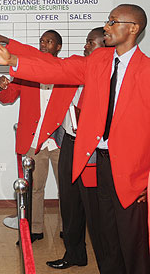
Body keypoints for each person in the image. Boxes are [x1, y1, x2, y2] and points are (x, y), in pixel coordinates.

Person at [0, 4, 150, 274]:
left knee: (132, 239)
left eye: (113, 22)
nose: (106, 26)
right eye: (108, 21)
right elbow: (54, 67)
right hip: (99, 162)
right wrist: (12, 59)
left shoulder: (146, 70)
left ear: (133, 28)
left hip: (131, 172)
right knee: (104, 236)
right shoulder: (97, 61)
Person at [0, 29, 77, 243]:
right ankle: (35, 230)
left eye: (49, 41)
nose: (44, 44)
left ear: (59, 47)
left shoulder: (69, 71)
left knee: (67, 188)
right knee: (35, 187)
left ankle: (67, 228)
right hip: (33, 140)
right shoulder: (26, 70)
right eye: (41, 41)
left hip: (60, 140)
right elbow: (8, 98)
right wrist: (2, 87)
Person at [46, 27, 105, 270]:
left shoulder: (108, 76)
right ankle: (74, 254)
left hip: (94, 148)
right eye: (86, 42)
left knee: (94, 207)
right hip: (70, 142)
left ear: (106, 44)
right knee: (69, 203)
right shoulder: (78, 68)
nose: (86, 46)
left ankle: (108, 262)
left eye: (91, 42)